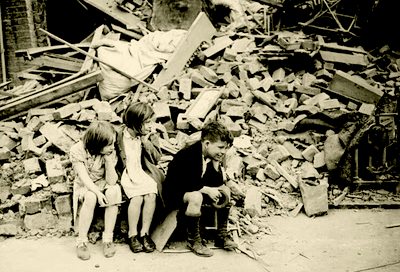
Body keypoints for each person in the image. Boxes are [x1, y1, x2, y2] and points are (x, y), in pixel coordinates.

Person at [162, 120, 238, 257]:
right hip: (175, 193)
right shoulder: (188, 155)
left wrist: (216, 166)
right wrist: (207, 190)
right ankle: (194, 240)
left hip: (194, 188)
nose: (223, 152)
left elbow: (216, 182)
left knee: (225, 190)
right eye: (220, 147)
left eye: (226, 148)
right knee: (196, 196)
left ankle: (221, 234)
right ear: (207, 143)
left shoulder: (210, 155)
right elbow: (186, 183)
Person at [69, 121, 122, 261]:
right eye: (108, 144)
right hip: (84, 184)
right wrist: (98, 193)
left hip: (102, 182)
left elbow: (111, 181)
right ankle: (81, 241)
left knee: (114, 191)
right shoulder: (77, 150)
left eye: (113, 143)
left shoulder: (109, 152)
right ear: (97, 143)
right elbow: (84, 178)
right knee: (91, 197)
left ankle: (107, 239)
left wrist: (109, 161)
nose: (112, 147)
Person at [118, 102, 164, 253]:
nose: (151, 126)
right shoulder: (119, 135)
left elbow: (157, 158)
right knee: (137, 197)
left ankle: (145, 233)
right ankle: (132, 235)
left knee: (151, 194)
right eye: (147, 123)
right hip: (127, 173)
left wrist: (146, 143)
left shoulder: (150, 135)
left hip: (142, 171)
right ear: (135, 123)